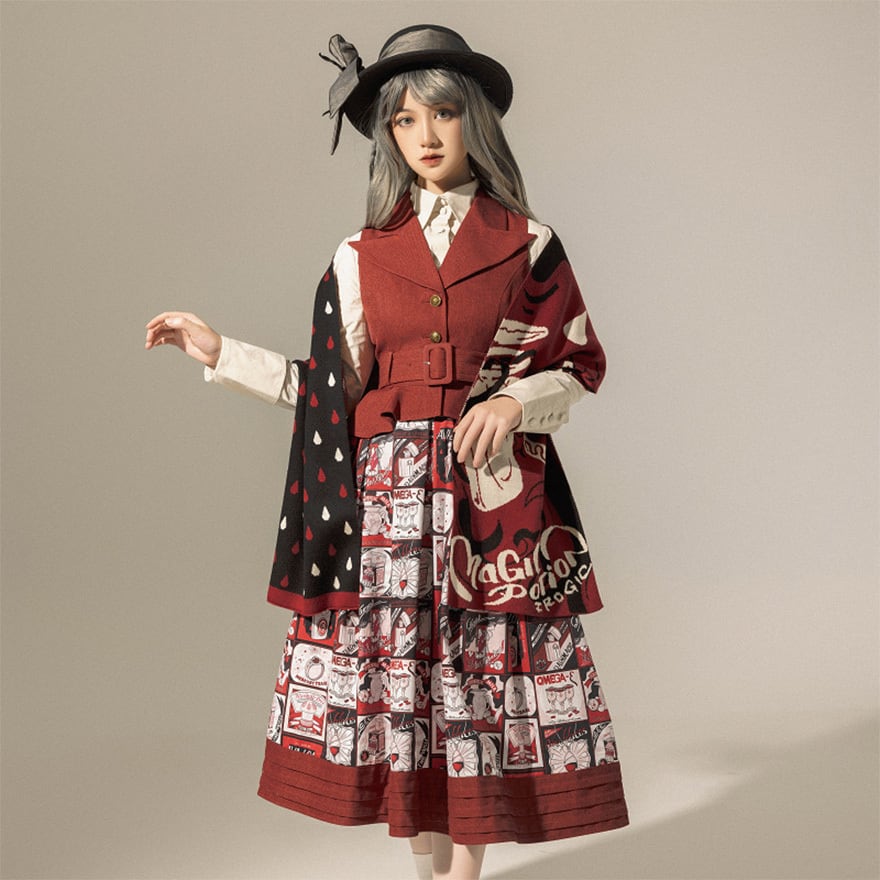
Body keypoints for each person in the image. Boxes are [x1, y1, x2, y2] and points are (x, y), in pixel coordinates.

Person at [145, 24, 629, 880]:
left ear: (474, 119)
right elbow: (328, 394)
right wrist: (223, 354)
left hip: (492, 498)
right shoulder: (360, 255)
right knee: (403, 683)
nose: (426, 135)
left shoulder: (529, 243)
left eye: (443, 113)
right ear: (388, 136)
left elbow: (578, 362)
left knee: (480, 676)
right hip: (388, 503)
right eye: (405, 120)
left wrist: (513, 401)